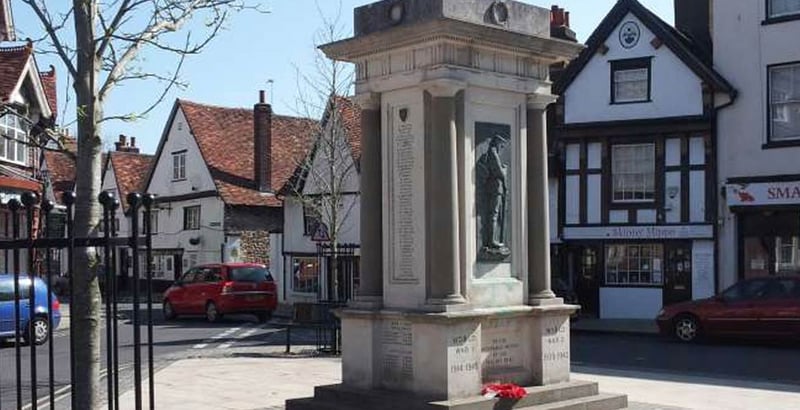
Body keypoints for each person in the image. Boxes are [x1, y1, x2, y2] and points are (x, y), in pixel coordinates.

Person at [476, 133, 510, 257]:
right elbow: (498, 172)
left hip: (495, 188)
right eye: (501, 145)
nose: (502, 148)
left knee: (494, 214)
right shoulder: (493, 153)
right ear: (497, 143)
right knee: (493, 215)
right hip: (495, 188)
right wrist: (504, 171)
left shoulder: (492, 153)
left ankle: (491, 240)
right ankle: (491, 241)